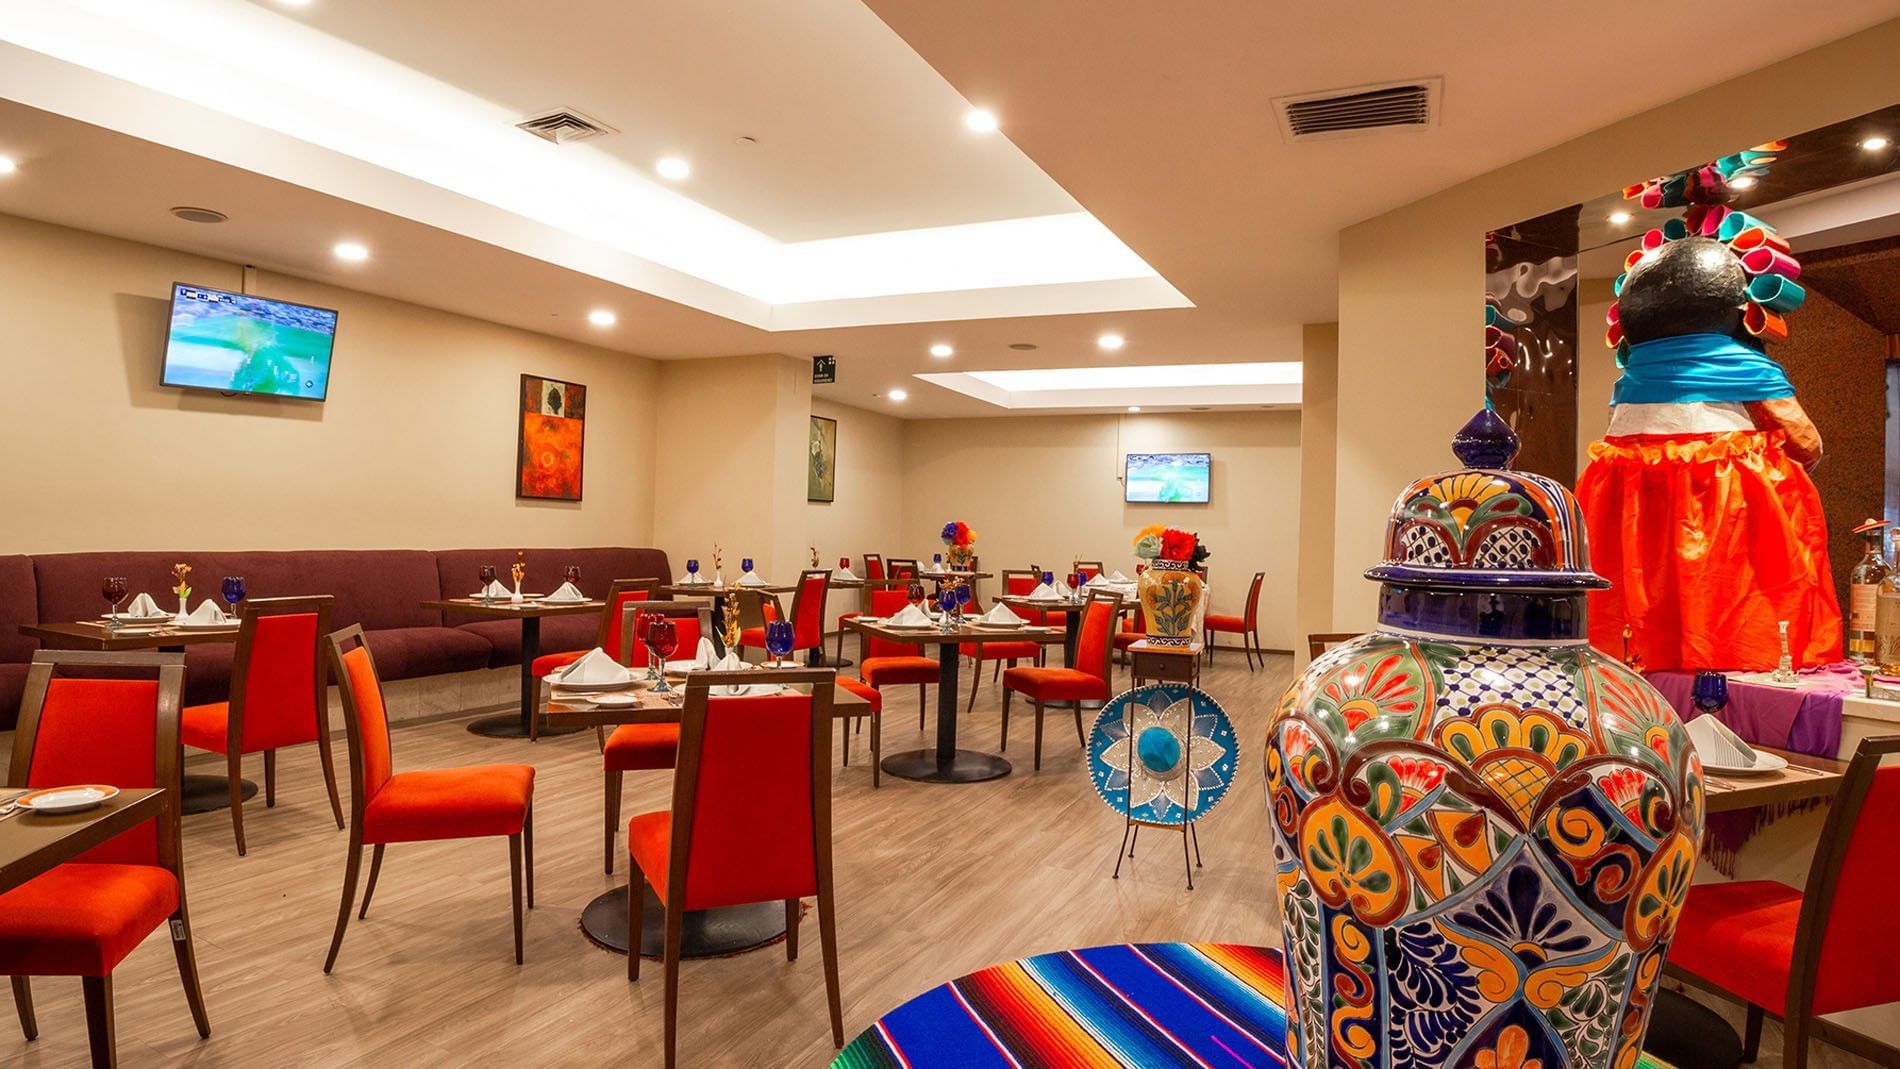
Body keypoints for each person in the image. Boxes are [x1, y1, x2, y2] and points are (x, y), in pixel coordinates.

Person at [1577, 235, 1840, 671]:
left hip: (1625, 498)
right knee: (1727, 600)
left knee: (1633, 602)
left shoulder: (1633, 376)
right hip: (1722, 499)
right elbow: (1804, 440)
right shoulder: (1743, 365)